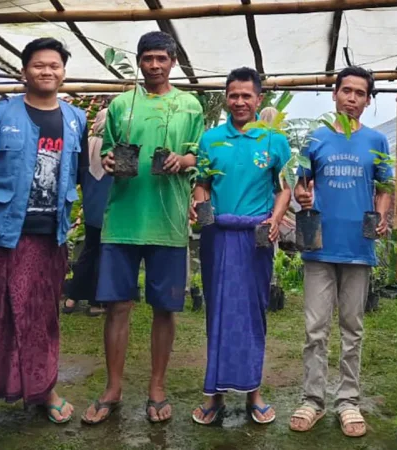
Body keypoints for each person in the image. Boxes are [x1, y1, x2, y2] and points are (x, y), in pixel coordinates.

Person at [0, 37, 88, 441]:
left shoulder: (75, 119)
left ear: (63, 72)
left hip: (50, 236)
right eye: (38, 65)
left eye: (54, 65)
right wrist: (1, 207)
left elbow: (79, 172)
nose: (46, 71)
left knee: (42, 318)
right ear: (24, 71)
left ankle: (43, 390)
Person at [81, 31, 204, 425]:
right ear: (139, 62)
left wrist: (183, 162)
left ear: (173, 62)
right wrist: (113, 164)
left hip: (168, 221)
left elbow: (200, 157)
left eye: (161, 59)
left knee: (164, 309)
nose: (154, 65)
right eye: (148, 58)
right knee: (117, 306)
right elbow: (111, 153)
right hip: (122, 221)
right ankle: (113, 388)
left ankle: (157, 386)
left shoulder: (189, 106)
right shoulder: (121, 105)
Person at [289, 66, 392, 438]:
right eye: (345, 91)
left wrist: (381, 215)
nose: (351, 98)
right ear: (334, 95)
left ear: (368, 100)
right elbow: (301, 186)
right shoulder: (315, 139)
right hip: (319, 245)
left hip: (358, 247)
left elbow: (385, 187)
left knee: (353, 328)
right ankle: (312, 399)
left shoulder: (377, 141)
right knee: (315, 329)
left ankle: (348, 399)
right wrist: (302, 194)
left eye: (359, 93)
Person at [189, 67, 291, 425]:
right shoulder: (210, 140)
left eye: (247, 95)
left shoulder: (274, 141)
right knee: (217, 312)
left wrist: (276, 219)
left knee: (252, 313)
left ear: (259, 98)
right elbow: (202, 183)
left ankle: (254, 392)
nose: (240, 101)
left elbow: (284, 188)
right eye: (233, 95)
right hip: (217, 237)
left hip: (256, 239)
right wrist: (199, 202)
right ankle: (213, 395)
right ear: (226, 98)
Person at [63, 107, 112, 317]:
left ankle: (72, 298)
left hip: (90, 206)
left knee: (89, 249)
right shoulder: (112, 146)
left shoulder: (87, 143)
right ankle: (96, 300)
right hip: (109, 206)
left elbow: (76, 176)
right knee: (104, 251)